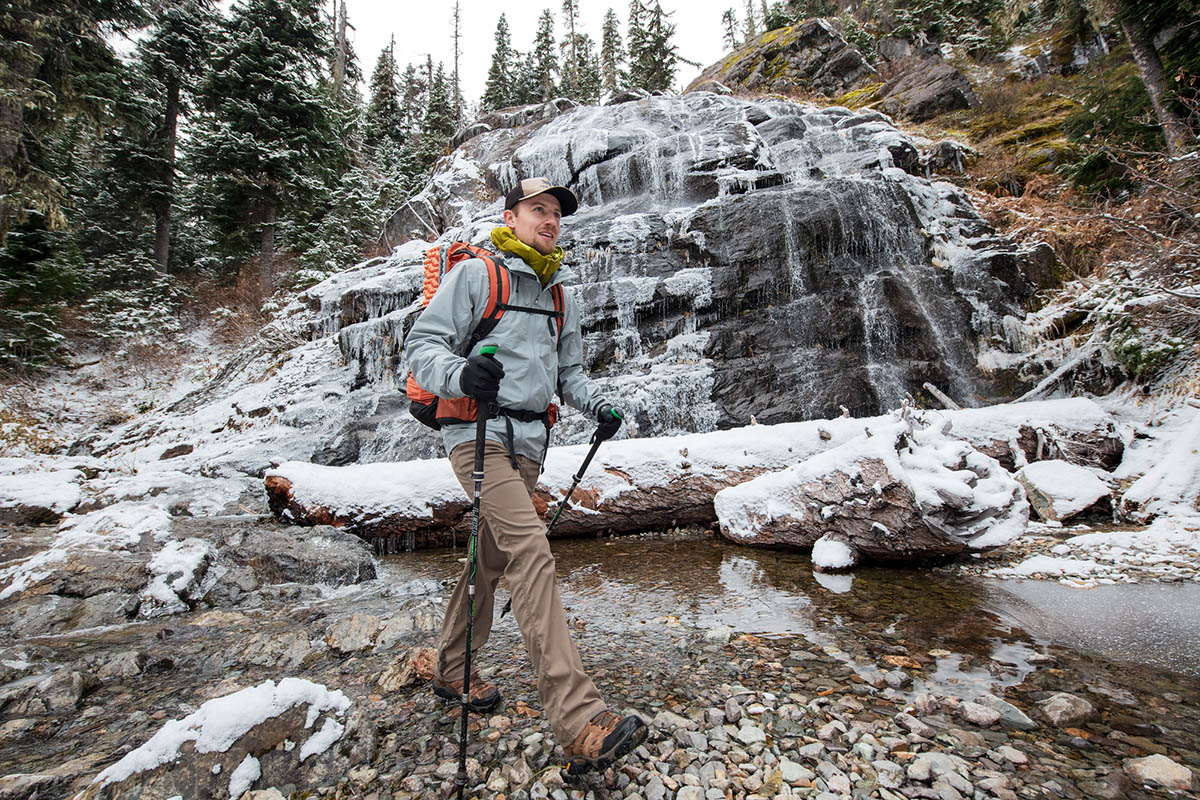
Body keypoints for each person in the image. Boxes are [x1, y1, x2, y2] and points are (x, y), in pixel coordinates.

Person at [403, 177, 646, 773]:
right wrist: (463, 376)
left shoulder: (563, 295)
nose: (551, 220)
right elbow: (422, 345)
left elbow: (572, 375)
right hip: (476, 436)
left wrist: (597, 406)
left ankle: (452, 667)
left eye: (557, 214)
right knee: (530, 551)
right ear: (510, 218)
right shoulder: (477, 276)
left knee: (490, 559)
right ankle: (578, 719)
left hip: (531, 445)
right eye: (539, 210)